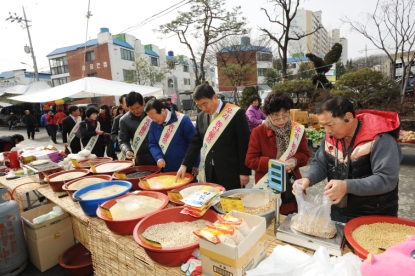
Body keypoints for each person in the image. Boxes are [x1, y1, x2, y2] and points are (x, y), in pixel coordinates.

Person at [293, 96, 402, 223]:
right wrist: (308, 178)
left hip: (374, 215)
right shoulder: (330, 138)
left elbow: (386, 179)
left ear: (348, 117)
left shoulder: (381, 139)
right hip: (338, 211)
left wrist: (347, 186)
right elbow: (321, 164)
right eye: (323, 126)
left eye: (330, 125)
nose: (327, 131)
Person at [245, 91, 311, 214]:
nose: (281, 119)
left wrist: (294, 160)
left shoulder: (297, 130)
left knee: (293, 217)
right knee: (270, 216)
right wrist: (271, 163)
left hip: (292, 182)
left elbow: (305, 154)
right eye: (276, 116)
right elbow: (250, 161)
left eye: (285, 115)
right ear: (268, 114)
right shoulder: (258, 132)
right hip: (268, 183)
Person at [177, 84, 251, 190]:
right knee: (214, 203)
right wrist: (184, 165)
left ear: (215, 97)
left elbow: (244, 144)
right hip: (210, 171)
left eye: (205, 103)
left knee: (233, 203)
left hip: (231, 172)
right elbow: (196, 142)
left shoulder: (235, 113)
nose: (203, 108)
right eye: (199, 105)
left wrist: (244, 172)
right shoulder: (201, 117)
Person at [145, 99, 200, 173]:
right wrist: (158, 157)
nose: (154, 120)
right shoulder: (153, 125)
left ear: (163, 111)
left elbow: (194, 143)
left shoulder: (182, 120)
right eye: (151, 118)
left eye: (154, 117)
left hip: (184, 168)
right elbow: (152, 144)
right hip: (166, 169)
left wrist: (195, 164)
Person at [119, 92, 156, 165]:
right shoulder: (124, 120)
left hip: (159, 155)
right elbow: (123, 141)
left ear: (143, 102)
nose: (135, 111)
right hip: (141, 159)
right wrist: (127, 150)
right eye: (131, 109)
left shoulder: (153, 113)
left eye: (137, 107)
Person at [110, 94, 128, 160]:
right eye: (127, 102)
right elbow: (113, 135)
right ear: (122, 105)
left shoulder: (141, 117)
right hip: (124, 151)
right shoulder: (118, 119)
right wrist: (120, 138)